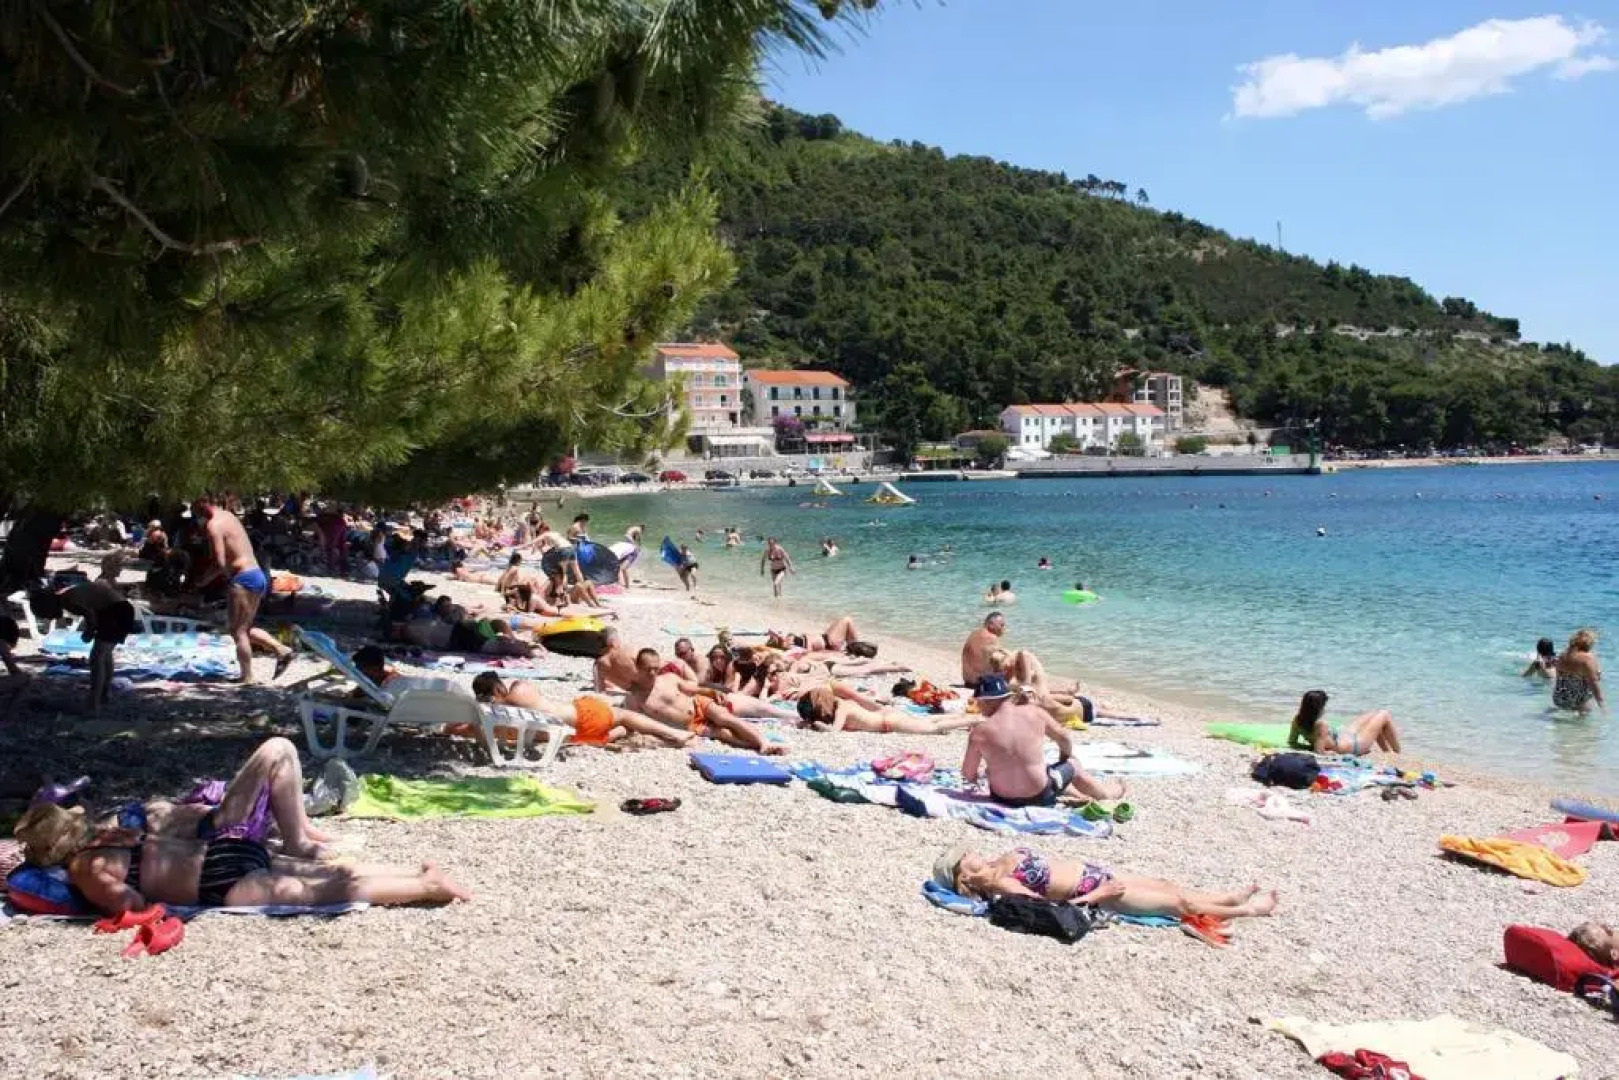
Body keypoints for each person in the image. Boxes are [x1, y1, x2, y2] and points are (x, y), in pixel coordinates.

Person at [13, 737, 469, 914]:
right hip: (222, 855)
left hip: (216, 880)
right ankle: (415, 875)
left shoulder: (85, 867)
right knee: (328, 877)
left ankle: (427, 888)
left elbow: (128, 904)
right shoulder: (113, 837)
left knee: (329, 892)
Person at [933, 843, 1278, 922]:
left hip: (1097, 874)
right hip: (1098, 894)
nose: (972, 851)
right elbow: (1049, 907)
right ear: (964, 875)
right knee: (1177, 906)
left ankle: (1229, 897)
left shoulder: (997, 863)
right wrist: (1101, 893)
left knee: (1168, 885)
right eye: (966, 856)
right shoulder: (1003, 886)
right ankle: (1251, 911)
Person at [961, 675, 1124, 804]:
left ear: (985, 701)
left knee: (998, 768)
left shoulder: (979, 732)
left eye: (979, 703)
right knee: (1072, 765)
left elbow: (968, 774)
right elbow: (1064, 738)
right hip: (1040, 795)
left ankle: (1078, 795)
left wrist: (986, 773)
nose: (979, 707)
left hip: (1002, 798)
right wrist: (1064, 758)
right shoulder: (1034, 713)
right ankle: (1106, 794)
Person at [192, 498, 294, 684]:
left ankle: (247, 677)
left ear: (202, 509)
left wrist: (203, 580)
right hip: (257, 574)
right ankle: (281, 650)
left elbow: (219, 561)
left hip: (243, 578)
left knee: (238, 631)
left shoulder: (213, 525)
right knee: (244, 627)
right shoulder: (229, 516)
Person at [622, 648, 783, 754]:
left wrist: (712, 691)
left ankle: (763, 742)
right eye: (647, 669)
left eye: (655, 668)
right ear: (638, 667)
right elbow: (637, 724)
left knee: (726, 718)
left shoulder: (669, 678)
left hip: (698, 704)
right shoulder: (634, 697)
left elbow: (693, 689)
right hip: (689, 725)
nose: (652, 673)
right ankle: (756, 746)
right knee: (723, 734)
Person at [470, 674, 692, 748]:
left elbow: (477, 732)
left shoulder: (499, 719)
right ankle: (673, 733)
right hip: (584, 715)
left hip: (578, 734)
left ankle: (628, 733)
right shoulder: (518, 689)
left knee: (620, 723)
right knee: (623, 714)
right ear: (499, 686)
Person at [795, 686, 978, 736]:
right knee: (931, 721)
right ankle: (967, 717)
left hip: (888, 723)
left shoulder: (842, 709)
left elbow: (833, 731)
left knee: (933, 728)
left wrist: (814, 725)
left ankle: (975, 720)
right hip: (887, 715)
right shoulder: (843, 703)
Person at [1286, 689, 1403, 755]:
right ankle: (1397, 753)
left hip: (1345, 736)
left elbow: (1292, 742)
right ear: (1319, 708)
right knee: (1384, 714)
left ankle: (1387, 752)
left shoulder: (1298, 720)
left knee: (1373, 714)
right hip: (1355, 746)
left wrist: (1309, 747)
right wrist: (1323, 751)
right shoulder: (1320, 725)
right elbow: (1319, 753)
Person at [1553, 629, 1605, 714]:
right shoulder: (1588, 658)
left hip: (1559, 698)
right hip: (1579, 700)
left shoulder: (1562, 655)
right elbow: (1593, 683)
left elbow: (1559, 678)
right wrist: (1601, 703)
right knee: (1583, 725)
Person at [766, 616, 865, 654]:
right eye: (774, 638)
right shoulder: (791, 648)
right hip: (828, 643)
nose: (778, 635)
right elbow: (808, 653)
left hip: (824, 637)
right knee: (847, 620)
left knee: (841, 621)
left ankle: (856, 649)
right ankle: (859, 651)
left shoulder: (789, 638)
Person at [961, 612, 1008, 686]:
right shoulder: (991, 638)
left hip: (968, 681)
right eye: (1002, 625)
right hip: (981, 683)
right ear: (991, 624)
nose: (1004, 628)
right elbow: (1000, 662)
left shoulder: (974, 633)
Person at [0, 616, 31, 719]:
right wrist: (6, 654)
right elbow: (14, 671)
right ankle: (8, 716)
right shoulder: (2, 643)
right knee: (25, 678)